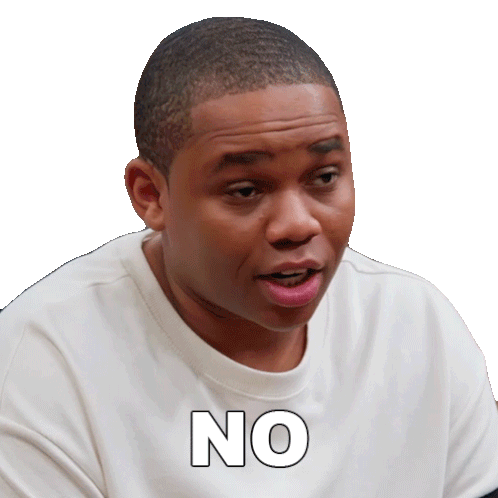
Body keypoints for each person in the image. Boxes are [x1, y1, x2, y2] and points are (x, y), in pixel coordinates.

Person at [0, 17, 497, 498]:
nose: (297, 225)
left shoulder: (418, 330)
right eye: (244, 190)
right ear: (151, 194)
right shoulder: (41, 362)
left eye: (324, 177)